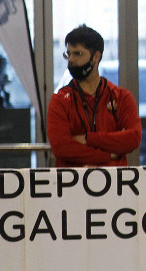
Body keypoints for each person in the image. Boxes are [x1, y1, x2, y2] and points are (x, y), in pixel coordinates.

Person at [46, 25, 142, 168]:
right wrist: (109, 155)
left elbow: (133, 138)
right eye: (68, 54)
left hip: (115, 185)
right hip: (71, 185)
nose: (71, 60)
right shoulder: (60, 100)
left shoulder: (120, 97)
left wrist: (88, 138)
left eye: (77, 54)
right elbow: (62, 148)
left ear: (96, 57)